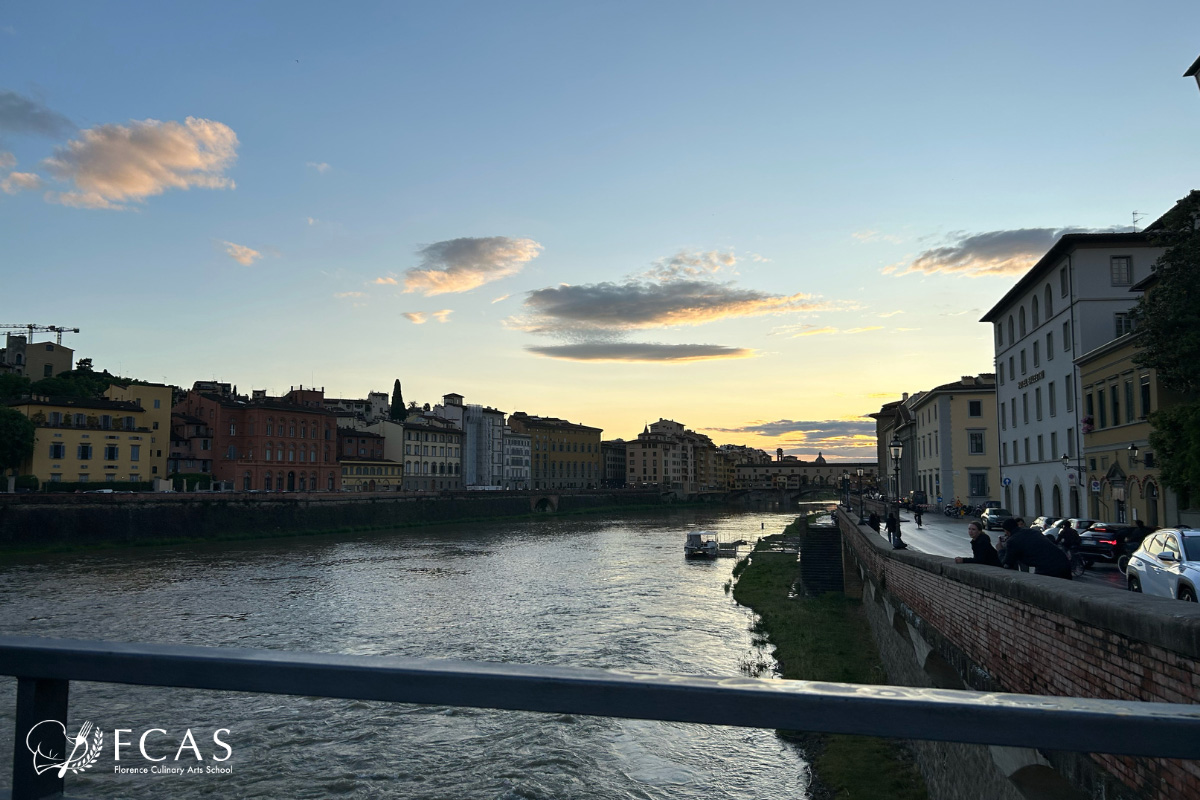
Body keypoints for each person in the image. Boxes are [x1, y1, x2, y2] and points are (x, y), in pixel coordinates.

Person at [1000, 517, 1071, 579]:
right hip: (1063, 562)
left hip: (1048, 568)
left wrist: (1000, 550)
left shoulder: (1012, 541)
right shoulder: (1032, 531)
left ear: (1007, 531)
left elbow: (1007, 563)